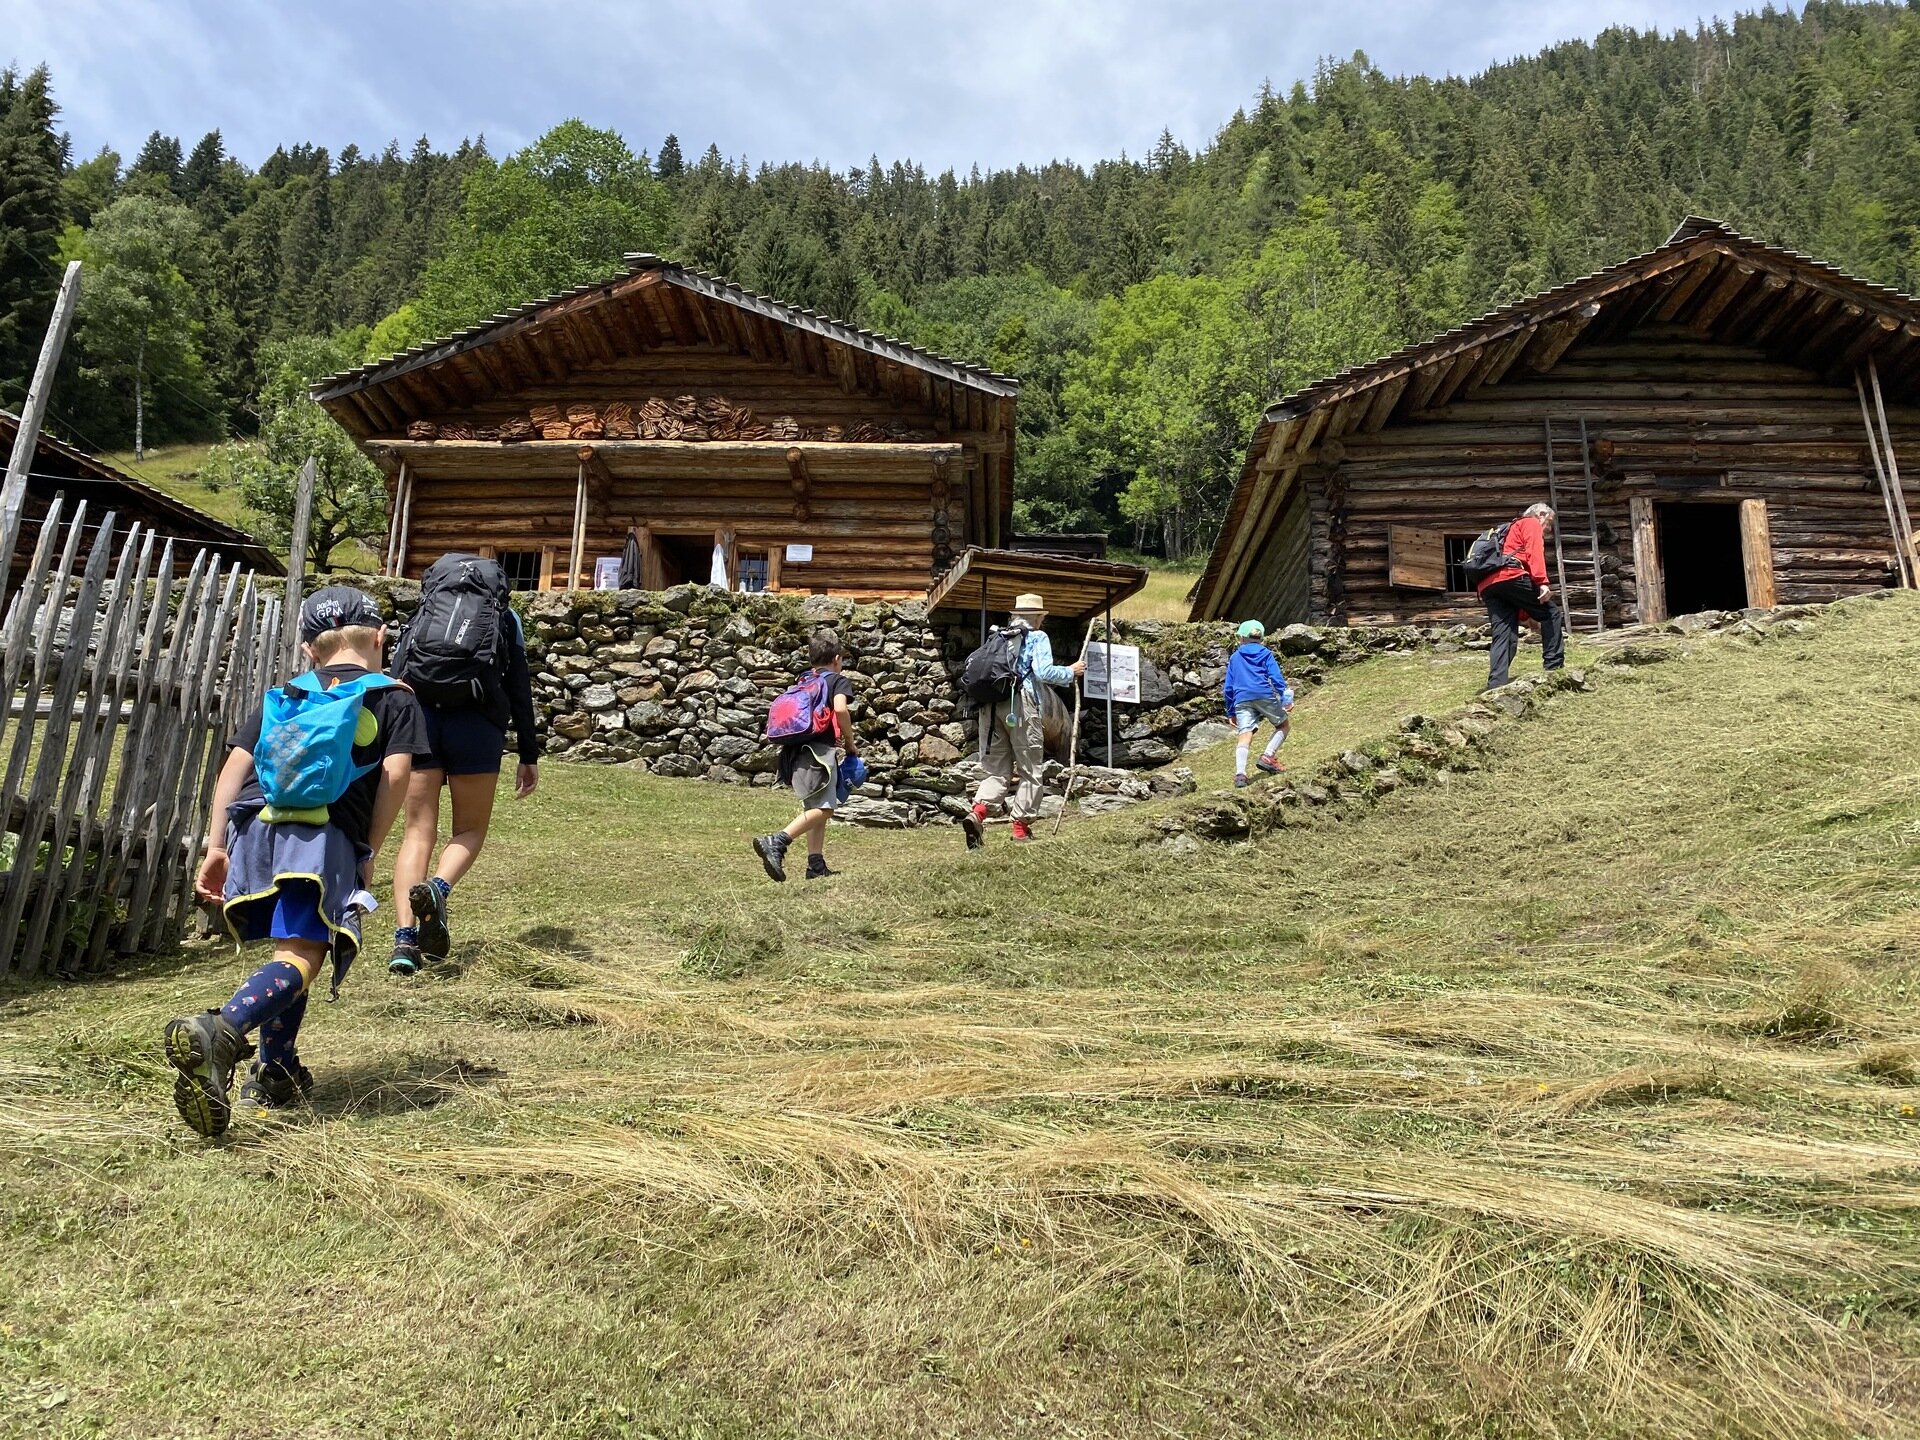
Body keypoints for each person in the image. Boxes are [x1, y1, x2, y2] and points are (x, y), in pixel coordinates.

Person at [166, 586, 430, 1137]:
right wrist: (369, 850)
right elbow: (397, 776)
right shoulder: (393, 697)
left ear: (310, 650)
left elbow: (233, 772)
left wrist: (217, 847)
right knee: (307, 951)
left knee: (291, 946)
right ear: (381, 639)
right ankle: (223, 1029)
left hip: (259, 832)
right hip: (323, 839)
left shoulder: (287, 692)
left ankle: (278, 1068)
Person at [388, 553, 540, 976]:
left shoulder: (424, 613)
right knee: (470, 829)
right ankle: (437, 889)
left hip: (421, 724)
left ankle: (404, 941)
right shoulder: (504, 619)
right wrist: (528, 753)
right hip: (477, 727)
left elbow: (398, 677)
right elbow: (518, 687)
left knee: (417, 832)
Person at [960, 592, 1085, 847]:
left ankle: (978, 814)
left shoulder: (999, 636)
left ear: (1015, 615)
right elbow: (1044, 672)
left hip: (990, 707)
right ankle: (1020, 829)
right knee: (1029, 769)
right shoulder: (1037, 637)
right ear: (1038, 617)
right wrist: (1070, 671)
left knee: (995, 770)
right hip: (1022, 705)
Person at [753, 629, 858, 882]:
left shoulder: (803, 679)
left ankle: (816, 865)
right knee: (826, 809)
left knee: (815, 807)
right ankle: (777, 841)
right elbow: (841, 710)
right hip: (820, 752)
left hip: (795, 750)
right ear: (836, 659)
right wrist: (851, 743)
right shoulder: (836, 680)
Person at [1478, 502, 1566, 690]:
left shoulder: (1508, 531)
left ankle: (1496, 684)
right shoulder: (1529, 522)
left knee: (1504, 633)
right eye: (1549, 524)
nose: (1548, 530)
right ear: (1541, 514)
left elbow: (1518, 598)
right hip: (1510, 575)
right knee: (1551, 613)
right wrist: (1542, 581)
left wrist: (1527, 614)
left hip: (1488, 584)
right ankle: (1554, 667)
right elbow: (1534, 551)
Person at [1223, 619, 1294, 788]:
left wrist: (1231, 711)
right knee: (1283, 725)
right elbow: (1276, 678)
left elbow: (1228, 688)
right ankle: (1268, 756)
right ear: (1261, 638)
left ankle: (1240, 775)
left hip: (1241, 698)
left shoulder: (1235, 657)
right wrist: (1285, 698)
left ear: (1241, 638)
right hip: (1264, 694)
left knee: (1245, 735)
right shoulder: (1265, 653)